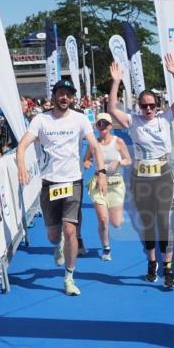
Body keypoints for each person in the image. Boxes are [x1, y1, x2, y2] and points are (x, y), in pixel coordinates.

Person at [16, 79, 106, 297]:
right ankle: (58, 245)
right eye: (61, 93)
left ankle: (69, 277)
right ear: (54, 96)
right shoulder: (41, 119)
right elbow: (23, 144)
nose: (64, 97)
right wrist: (21, 164)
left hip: (73, 182)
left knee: (70, 230)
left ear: (73, 98)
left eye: (68, 94)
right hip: (49, 183)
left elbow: (95, 146)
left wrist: (101, 172)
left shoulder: (80, 119)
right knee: (53, 235)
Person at [108, 54, 174, 290]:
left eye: (152, 105)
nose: (149, 109)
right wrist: (115, 82)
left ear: (158, 106)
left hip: (162, 177)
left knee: (165, 223)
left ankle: (169, 269)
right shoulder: (133, 121)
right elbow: (111, 108)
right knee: (147, 223)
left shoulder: (165, 118)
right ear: (138, 106)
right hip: (141, 180)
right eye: (144, 105)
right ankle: (152, 263)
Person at [81, 113, 131, 261]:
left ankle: (117, 218)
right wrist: (88, 163)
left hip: (115, 184)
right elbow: (86, 159)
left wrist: (119, 163)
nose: (102, 127)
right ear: (96, 127)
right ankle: (106, 247)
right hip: (98, 183)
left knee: (115, 223)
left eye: (105, 124)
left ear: (110, 126)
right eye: (99, 124)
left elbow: (129, 160)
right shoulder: (93, 144)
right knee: (103, 219)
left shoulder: (118, 141)